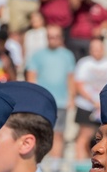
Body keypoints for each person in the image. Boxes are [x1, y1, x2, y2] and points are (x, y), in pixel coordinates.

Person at [25, 26, 76, 160]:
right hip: (43, 102)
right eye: (50, 36)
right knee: (41, 133)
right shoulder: (37, 55)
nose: (53, 39)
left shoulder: (67, 55)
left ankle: (55, 166)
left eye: (56, 36)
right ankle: (40, 163)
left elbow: (70, 78)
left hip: (60, 101)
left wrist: (71, 97)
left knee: (58, 134)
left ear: (61, 38)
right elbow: (31, 77)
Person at [73, 36, 107, 160]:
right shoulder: (84, 63)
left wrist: (104, 102)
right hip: (86, 105)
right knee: (84, 136)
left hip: (106, 107)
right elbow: (79, 84)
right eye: (93, 48)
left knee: (106, 137)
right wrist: (93, 101)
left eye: (98, 48)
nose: (96, 51)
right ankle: (80, 164)